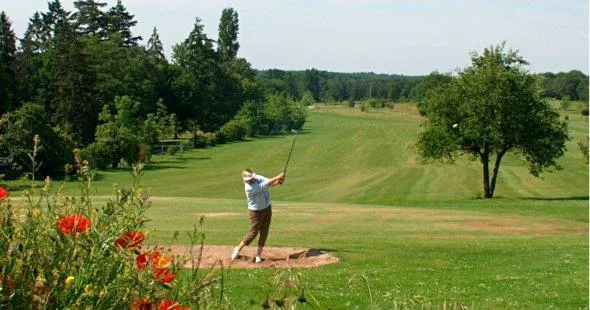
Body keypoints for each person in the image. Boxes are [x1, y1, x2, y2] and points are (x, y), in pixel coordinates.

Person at [231, 169, 285, 263]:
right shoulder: (249, 187)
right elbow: (263, 185)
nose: (249, 180)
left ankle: (258, 255)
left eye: (251, 178)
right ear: (244, 180)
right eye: (247, 180)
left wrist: (278, 182)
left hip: (267, 209)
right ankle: (237, 249)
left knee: (264, 233)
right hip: (255, 212)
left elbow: (269, 183)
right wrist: (278, 177)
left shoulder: (258, 177)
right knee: (253, 233)